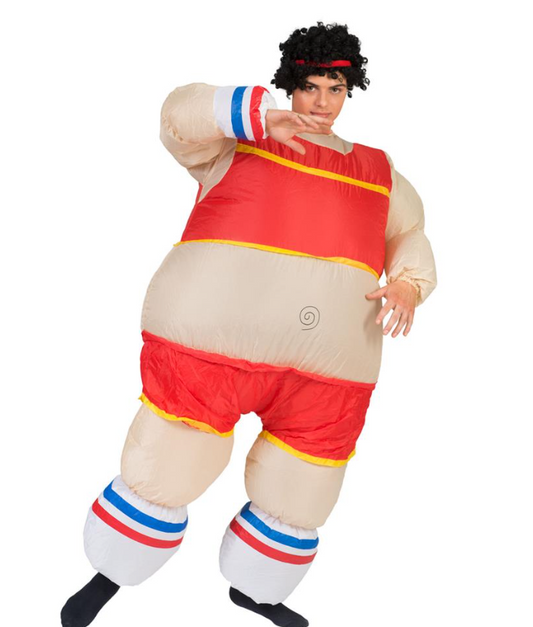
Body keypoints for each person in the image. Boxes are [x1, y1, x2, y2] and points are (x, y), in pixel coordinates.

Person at [61, 21, 437, 627]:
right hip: (212, 346)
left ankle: (258, 590)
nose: (322, 103)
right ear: (290, 85)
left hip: (328, 366)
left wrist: (408, 284)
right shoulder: (239, 140)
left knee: (304, 480)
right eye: (310, 87)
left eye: (335, 90)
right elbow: (178, 118)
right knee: (172, 456)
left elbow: (409, 232)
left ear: (350, 92)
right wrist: (253, 116)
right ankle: (111, 573)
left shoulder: (377, 171)